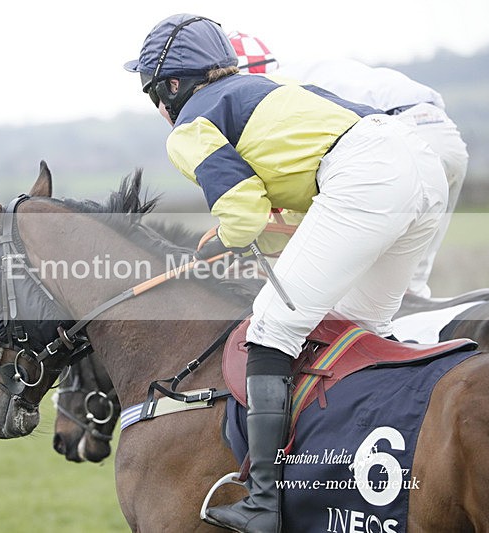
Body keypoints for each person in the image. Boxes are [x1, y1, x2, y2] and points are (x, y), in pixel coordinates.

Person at [124, 14, 447, 533]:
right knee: (354, 327)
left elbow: (245, 212)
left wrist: (228, 238)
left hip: (366, 173)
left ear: (169, 87)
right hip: (420, 165)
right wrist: (235, 235)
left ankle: (263, 502)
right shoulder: (266, 89)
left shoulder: (190, 126)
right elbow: (301, 219)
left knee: (271, 328)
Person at [228, 31, 469, 299]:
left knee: (348, 291)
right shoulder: (315, 68)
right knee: (409, 288)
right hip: (444, 133)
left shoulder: (270, 91)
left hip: (397, 140)